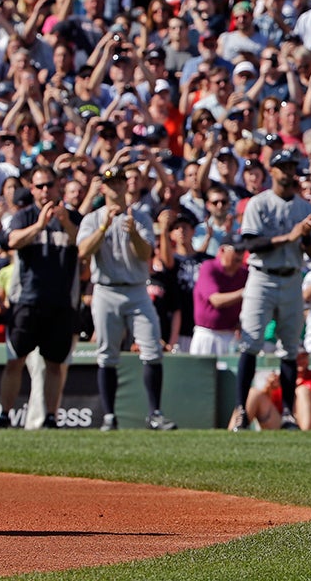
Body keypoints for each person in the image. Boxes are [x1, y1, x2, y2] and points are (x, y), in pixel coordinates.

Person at [76, 166, 177, 431]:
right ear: (103, 188)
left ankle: (155, 412)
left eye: (120, 181)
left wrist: (132, 231)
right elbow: (83, 252)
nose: (116, 187)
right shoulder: (92, 218)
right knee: (107, 354)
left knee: (152, 349)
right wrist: (103, 227)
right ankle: (109, 415)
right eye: (111, 183)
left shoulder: (139, 216)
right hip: (105, 289)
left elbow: (146, 254)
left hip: (135, 288)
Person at [233, 148, 311, 432]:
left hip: (292, 276)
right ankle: (240, 411)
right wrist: (290, 236)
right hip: (262, 276)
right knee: (251, 342)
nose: (287, 171)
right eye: (282, 166)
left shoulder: (304, 207)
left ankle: (287, 414)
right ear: (272, 171)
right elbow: (250, 244)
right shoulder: (259, 203)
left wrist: (306, 239)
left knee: (290, 348)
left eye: (291, 166)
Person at [0, 166, 82, 429]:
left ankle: (50, 416)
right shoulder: (23, 216)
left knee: (54, 364)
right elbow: (10, 241)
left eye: (49, 185)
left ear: (58, 187)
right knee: (15, 360)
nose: (45, 191)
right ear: (32, 189)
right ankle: (5, 415)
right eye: (39, 186)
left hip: (60, 301)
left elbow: (83, 244)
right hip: (27, 299)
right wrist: (38, 225)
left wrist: (65, 221)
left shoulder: (73, 217)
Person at [237, 349, 311, 431]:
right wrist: (269, 389)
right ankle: (236, 429)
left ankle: (305, 437)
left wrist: (289, 387)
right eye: (296, 358)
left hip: (309, 427)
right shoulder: (280, 381)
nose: (300, 360)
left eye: (303, 356)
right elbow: (266, 406)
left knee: (302, 391)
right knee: (253, 393)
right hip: (283, 425)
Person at [188, 234, 247, 356]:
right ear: (222, 250)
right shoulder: (209, 267)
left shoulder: (244, 273)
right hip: (207, 335)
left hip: (230, 336)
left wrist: (242, 322)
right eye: (236, 250)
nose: (240, 255)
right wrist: (245, 292)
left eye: (242, 250)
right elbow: (216, 300)